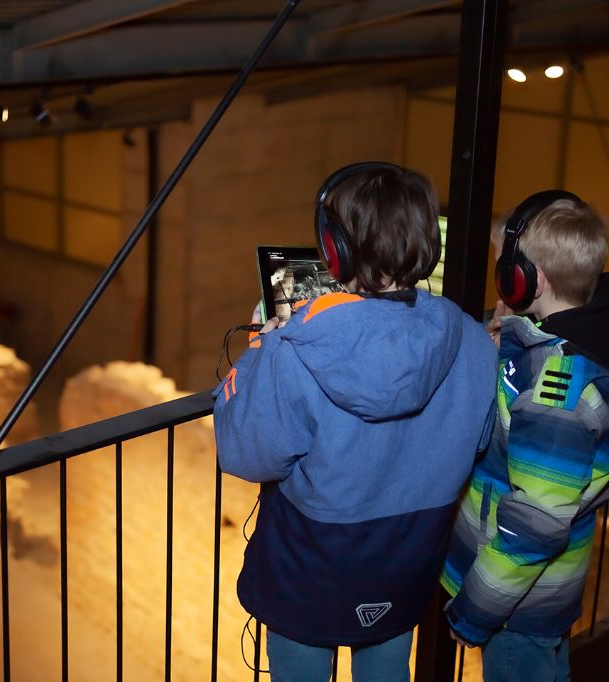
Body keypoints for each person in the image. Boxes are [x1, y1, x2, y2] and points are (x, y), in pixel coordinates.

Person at [213, 162, 498, 682]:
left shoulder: (295, 348)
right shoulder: (473, 339)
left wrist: (264, 347)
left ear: (334, 249)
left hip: (309, 571)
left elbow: (244, 452)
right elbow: (477, 440)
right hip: (406, 565)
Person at [440, 190, 609, 681]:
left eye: (504, 270)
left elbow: (535, 527)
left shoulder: (555, 398)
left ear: (531, 279)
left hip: (515, 606)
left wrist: (475, 610)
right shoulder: (598, 339)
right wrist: (508, 333)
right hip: (550, 588)